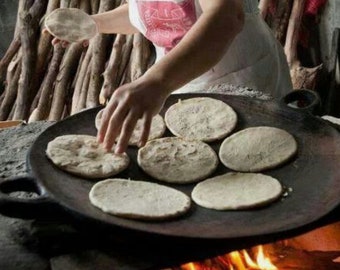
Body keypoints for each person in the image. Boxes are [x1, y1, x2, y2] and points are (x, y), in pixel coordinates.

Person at [49, 0, 293, 154]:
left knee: (256, 158)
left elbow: (226, 16)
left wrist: (155, 82)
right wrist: (95, 24)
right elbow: (148, 10)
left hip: (243, 82)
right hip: (180, 83)